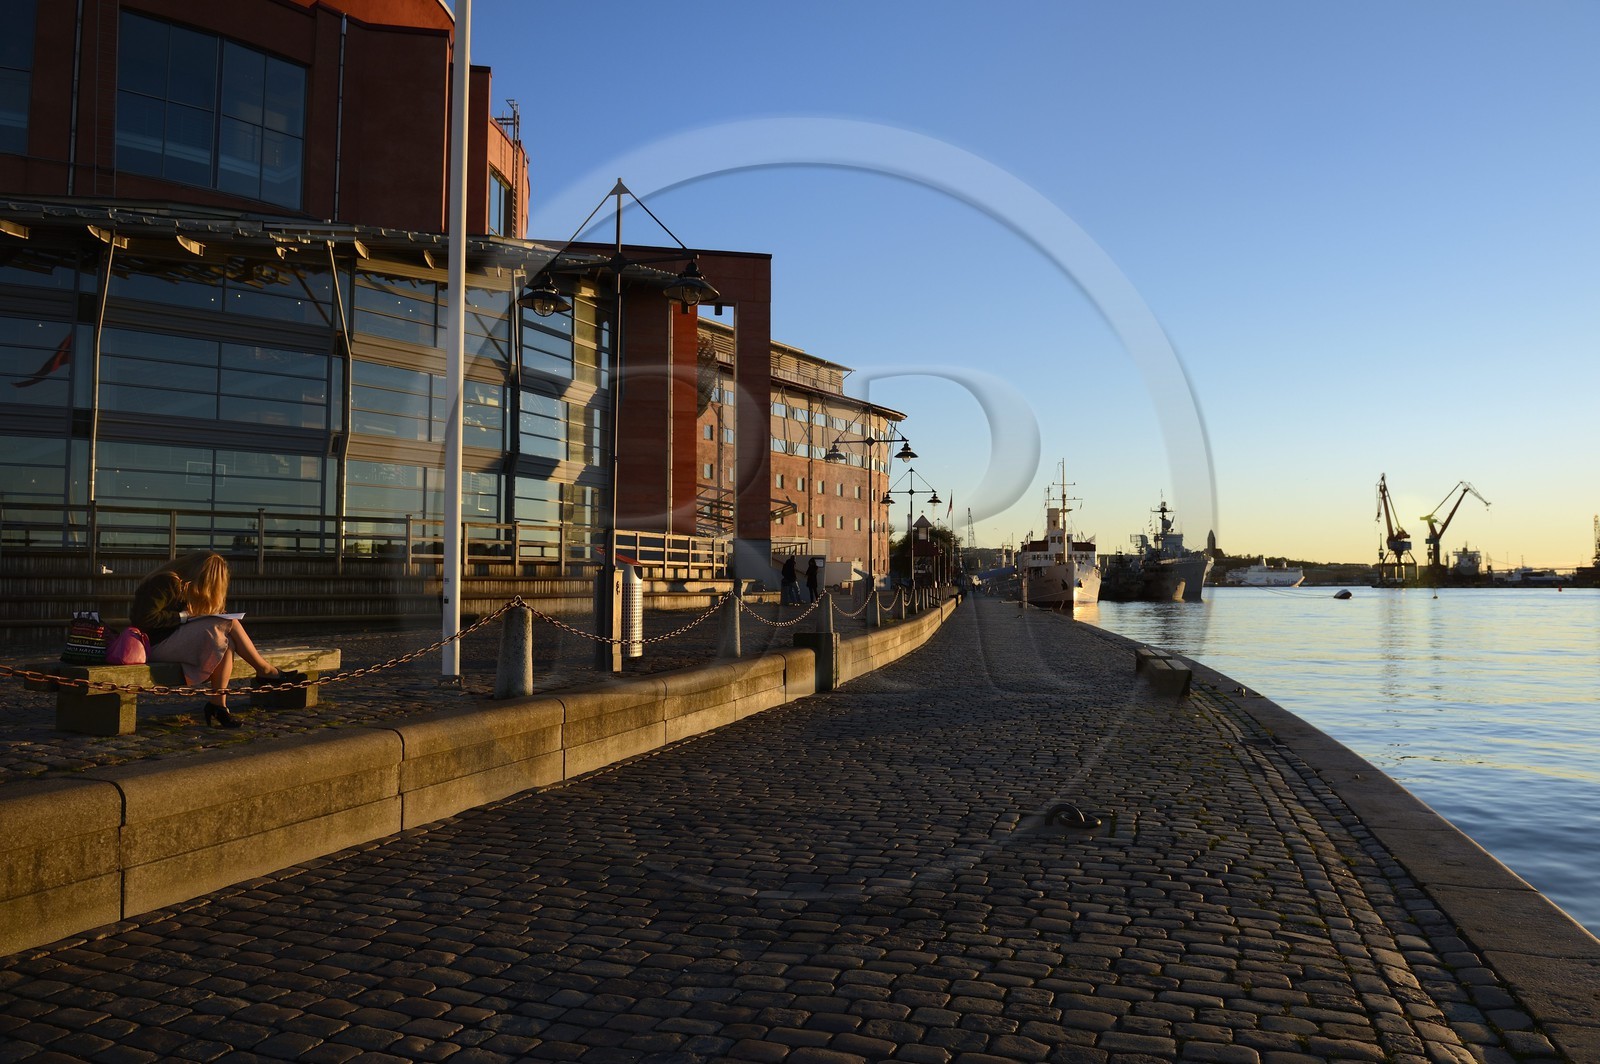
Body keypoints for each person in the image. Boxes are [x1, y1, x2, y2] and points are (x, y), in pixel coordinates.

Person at [130, 551, 301, 728]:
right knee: (230, 622)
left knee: (228, 645)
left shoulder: (184, 585)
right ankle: (265, 670)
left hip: (171, 641)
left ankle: (219, 706)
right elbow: (143, 619)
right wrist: (183, 616)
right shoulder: (166, 581)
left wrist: (194, 616)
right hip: (153, 645)